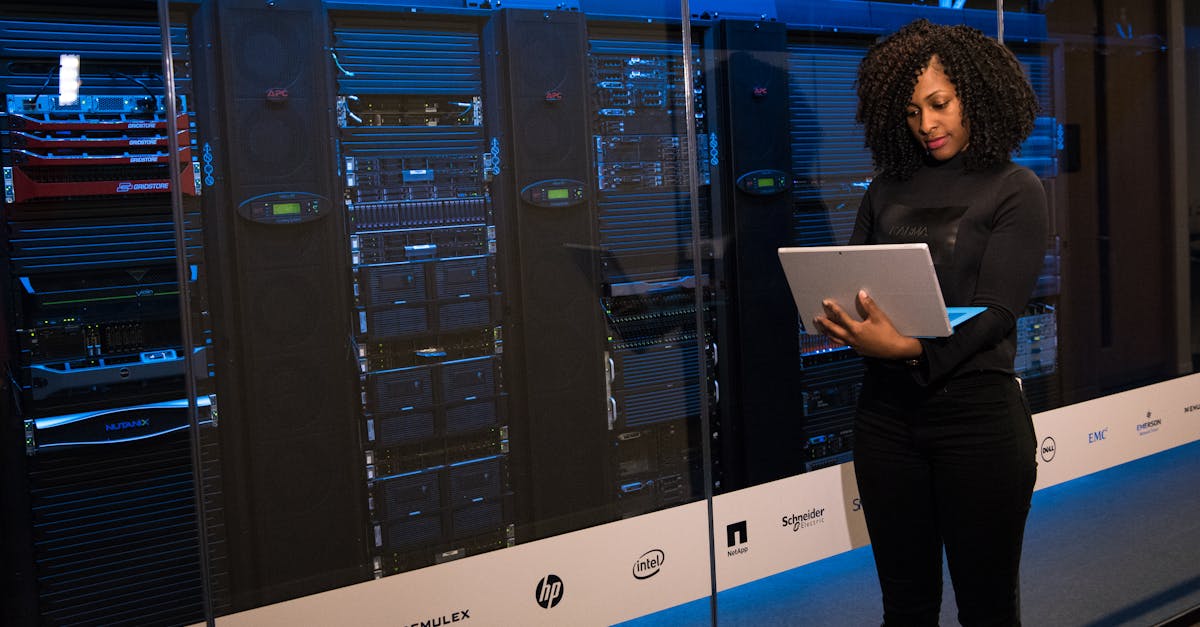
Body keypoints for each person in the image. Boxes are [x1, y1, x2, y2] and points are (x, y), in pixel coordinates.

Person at [811, 18, 1048, 627]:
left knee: (988, 609)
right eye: (913, 111)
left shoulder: (1015, 188)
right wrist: (839, 319)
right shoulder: (884, 189)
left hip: (979, 424)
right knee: (906, 608)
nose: (927, 125)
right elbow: (852, 281)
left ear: (977, 95)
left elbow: (998, 311)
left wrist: (910, 348)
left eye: (939, 105)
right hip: (886, 423)